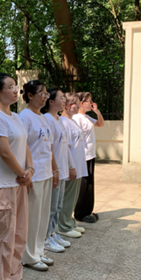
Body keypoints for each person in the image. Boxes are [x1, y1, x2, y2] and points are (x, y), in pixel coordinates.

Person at [0, 73, 33, 280]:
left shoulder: (15, 116)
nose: (16, 90)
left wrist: (29, 169)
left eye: (16, 86)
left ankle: (13, 275)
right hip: (0, 185)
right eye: (10, 87)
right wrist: (22, 173)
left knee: (18, 232)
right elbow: (4, 152)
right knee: (2, 236)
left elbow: (25, 145)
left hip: (18, 182)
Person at [18, 80, 57, 272]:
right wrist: (25, 172)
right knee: (32, 217)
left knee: (42, 216)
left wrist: (54, 169)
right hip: (34, 174)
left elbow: (49, 146)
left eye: (46, 94)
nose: (44, 97)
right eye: (41, 93)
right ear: (30, 95)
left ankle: (39, 251)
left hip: (46, 172)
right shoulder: (24, 117)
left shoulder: (43, 117)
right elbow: (21, 147)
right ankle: (28, 256)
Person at [42, 88, 77, 253]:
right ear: (51, 101)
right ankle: (45, 237)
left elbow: (66, 146)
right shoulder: (47, 119)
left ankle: (52, 232)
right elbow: (48, 147)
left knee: (58, 205)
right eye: (61, 98)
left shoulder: (59, 119)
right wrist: (54, 168)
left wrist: (71, 165)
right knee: (51, 206)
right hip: (54, 170)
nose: (64, 101)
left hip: (62, 169)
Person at [58, 93, 88, 237]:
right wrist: (71, 166)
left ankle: (70, 222)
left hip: (78, 164)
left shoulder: (72, 121)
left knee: (73, 196)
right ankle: (64, 225)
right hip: (71, 165)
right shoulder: (63, 122)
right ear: (66, 105)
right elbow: (65, 147)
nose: (78, 106)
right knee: (68, 196)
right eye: (75, 103)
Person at [73, 91, 105, 223]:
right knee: (83, 185)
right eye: (89, 101)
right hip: (83, 156)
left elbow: (100, 124)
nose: (91, 103)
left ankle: (88, 210)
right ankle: (80, 213)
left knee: (89, 184)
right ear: (81, 103)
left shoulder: (86, 117)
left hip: (90, 155)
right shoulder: (76, 118)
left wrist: (97, 112)